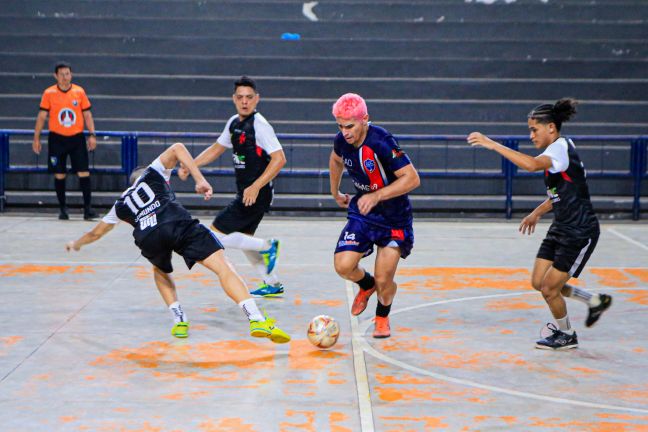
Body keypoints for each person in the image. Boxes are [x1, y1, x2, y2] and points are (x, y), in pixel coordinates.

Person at [65, 142, 290, 343]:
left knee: (160, 269)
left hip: (147, 237)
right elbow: (178, 147)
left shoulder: (120, 204)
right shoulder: (153, 173)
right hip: (174, 220)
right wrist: (200, 179)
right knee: (223, 267)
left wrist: (76, 244)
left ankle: (179, 319)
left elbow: (95, 234)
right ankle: (256, 318)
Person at [467, 98, 612, 351]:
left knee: (548, 288)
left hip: (580, 230)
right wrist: (537, 212)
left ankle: (567, 335)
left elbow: (531, 165)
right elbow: (561, 193)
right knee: (538, 282)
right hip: (562, 226)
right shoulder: (558, 151)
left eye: (535, 130)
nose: (531, 135)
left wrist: (491, 144)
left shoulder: (558, 148)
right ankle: (594, 300)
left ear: (551, 128)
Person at [179, 76, 286, 298]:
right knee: (246, 240)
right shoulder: (234, 123)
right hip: (247, 191)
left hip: (257, 192)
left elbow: (279, 159)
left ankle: (268, 246)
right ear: (233, 99)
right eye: (240, 97)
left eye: (249, 97)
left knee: (214, 235)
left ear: (257, 99)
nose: (244, 102)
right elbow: (216, 148)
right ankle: (272, 283)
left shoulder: (260, 125)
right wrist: (191, 165)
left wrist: (256, 186)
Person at [329, 93, 420, 338]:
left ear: (365, 119)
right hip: (364, 212)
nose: (344, 132)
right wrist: (335, 191)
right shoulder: (342, 140)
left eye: (349, 126)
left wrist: (378, 196)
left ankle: (382, 315)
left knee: (384, 278)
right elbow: (336, 160)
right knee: (343, 266)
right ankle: (365, 285)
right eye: (340, 126)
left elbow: (412, 179)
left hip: (394, 218)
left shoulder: (382, 141)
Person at [33, 61, 98, 220]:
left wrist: (92, 134)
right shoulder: (49, 93)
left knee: (84, 172)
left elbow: (87, 115)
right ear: (55, 76)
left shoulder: (79, 92)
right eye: (61, 74)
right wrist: (36, 138)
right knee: (59, 174)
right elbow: (42, 117)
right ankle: (63, 209)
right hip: (57, 139)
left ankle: (87, 209)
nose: (64, 77)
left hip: (76, 138)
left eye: (67, 73)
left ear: (71, 74)